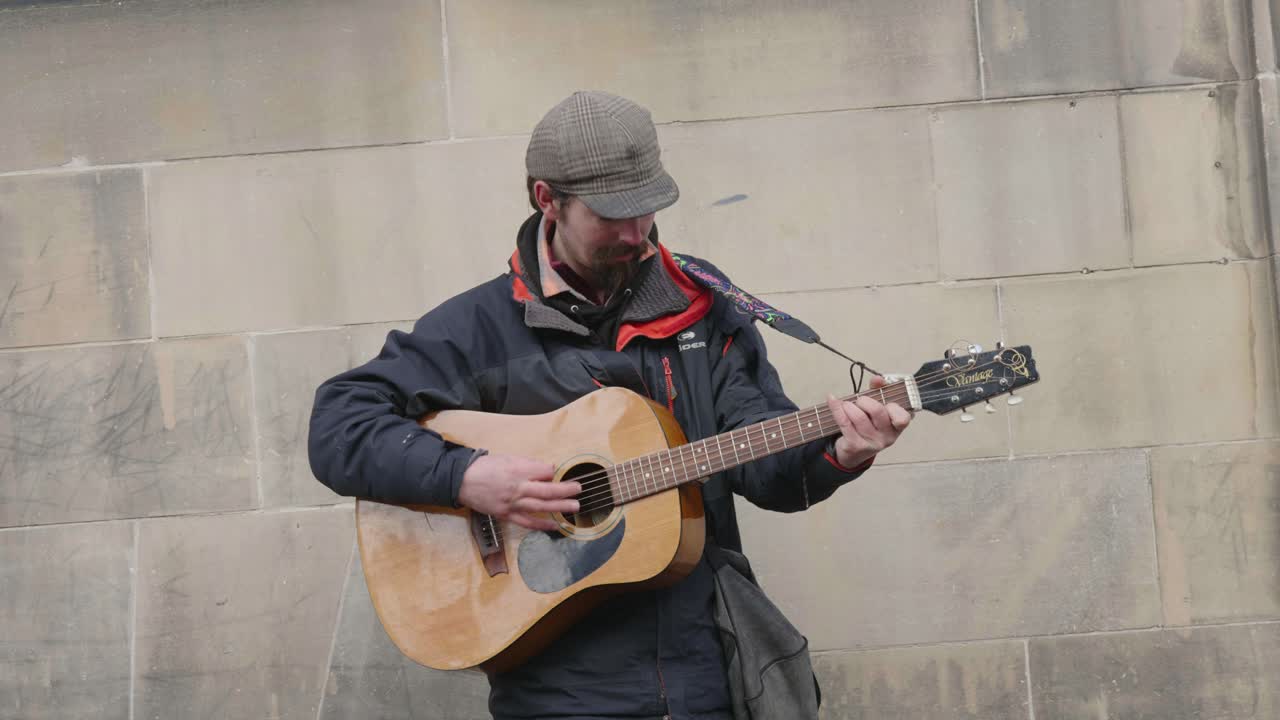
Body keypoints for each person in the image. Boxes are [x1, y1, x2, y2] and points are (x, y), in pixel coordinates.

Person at [308, 90, 911, 720]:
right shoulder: (479, 327)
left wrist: (840, 451)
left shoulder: (706, 310)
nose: (635, 232)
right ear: (548, 200)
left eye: (646, 209)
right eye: (611, 215)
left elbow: (764, 465)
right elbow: (338, 423)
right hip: (558, 692)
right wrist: (468, 477)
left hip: (707, 675)